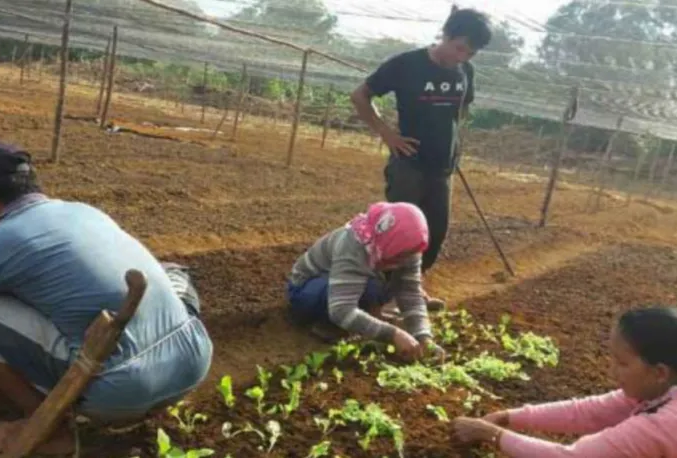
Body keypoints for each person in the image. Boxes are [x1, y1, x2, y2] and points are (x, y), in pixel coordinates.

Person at [0, 143, 213, 455]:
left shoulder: (6, 239)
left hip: (119, 391)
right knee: (170, 272)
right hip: (193, 362)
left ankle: (50, 431)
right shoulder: (83, 211)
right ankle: (159, 396)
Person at [350, 8, 492, 310]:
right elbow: (360, 95)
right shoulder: (406, 65)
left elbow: (461, 110)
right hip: (409, 165)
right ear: (446, 34)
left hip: (443, 168)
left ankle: (411, 289)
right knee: (400, 232)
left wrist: (454, 143)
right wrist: (388, 135)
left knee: (435, 232)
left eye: (471, 53)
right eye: (459, 48)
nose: (463, 57)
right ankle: (384, 295)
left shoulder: (466, 72)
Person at [452, 306, 677, 457]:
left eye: (622, 363)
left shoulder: (662, 425)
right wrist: (510, 417)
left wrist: (490, 434)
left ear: (659, 372)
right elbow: (591, 412)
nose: (612, 371)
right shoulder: (658, 389)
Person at [286, 201, 444, 362]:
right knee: (370, 289)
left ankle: (365, 319)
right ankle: (328, 324)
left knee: (391, 283)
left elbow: (410, 292)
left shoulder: (409, 246)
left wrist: (424, 337)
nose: (404, 260)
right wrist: (393, 334)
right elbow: (341, 309)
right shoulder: (354, 246)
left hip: (352, 281)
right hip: (307, 289)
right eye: (401, 255)